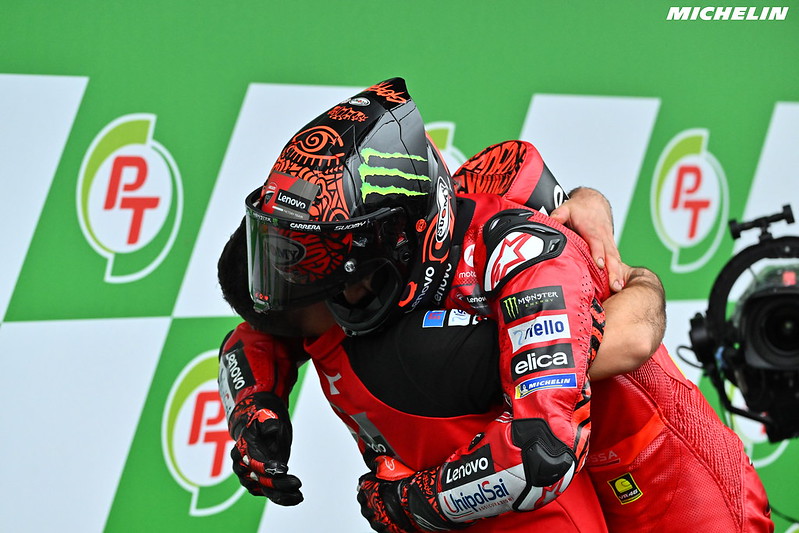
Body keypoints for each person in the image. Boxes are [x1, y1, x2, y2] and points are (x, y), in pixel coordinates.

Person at [218, 78, 773, 531]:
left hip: (672, 482)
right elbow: (267, 324)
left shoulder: (517, 246)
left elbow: (544, 448)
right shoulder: (383, 259)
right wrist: (251, 409)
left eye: (334, 273)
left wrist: (408, 504)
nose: (313, 288)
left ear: (394, 239)